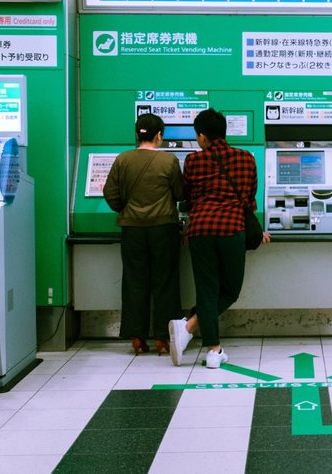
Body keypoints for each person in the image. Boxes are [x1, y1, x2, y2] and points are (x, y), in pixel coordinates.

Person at [168, 109, 269, 368]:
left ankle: (200, 337)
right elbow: (249, 198)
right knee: (230, 291)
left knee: (207, 290)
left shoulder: (192, 161)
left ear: (202, 136)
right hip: (232, 230)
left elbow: (188, 198)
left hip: (200, 230)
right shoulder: (246, 158)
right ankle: (205, 343)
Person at [103, 113, 186, 356]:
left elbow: (110, 193)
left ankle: (137, 338)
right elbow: (180, 194)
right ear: (159, 135)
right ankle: (163, 338)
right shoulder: (168, 161)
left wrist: (125, 209)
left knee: (134, 282)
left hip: (132, 230)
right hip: (163, 229)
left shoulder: (123, 160)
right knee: (166, 283)